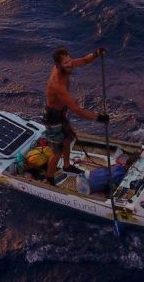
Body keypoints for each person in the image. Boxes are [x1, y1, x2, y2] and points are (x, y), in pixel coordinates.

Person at [44, 46, 109, 186]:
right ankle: (49, 179)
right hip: (53, 118)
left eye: (69, 60)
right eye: (66, 63)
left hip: (61, 113)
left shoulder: (67, 65)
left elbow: (85, 60)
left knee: (68, 139)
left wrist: (96, 53)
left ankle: (66, 166)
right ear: (57, 65)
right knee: (57, 151)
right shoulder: (57, 85)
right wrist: (98, 117)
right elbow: (76, 109)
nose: (70, 64)